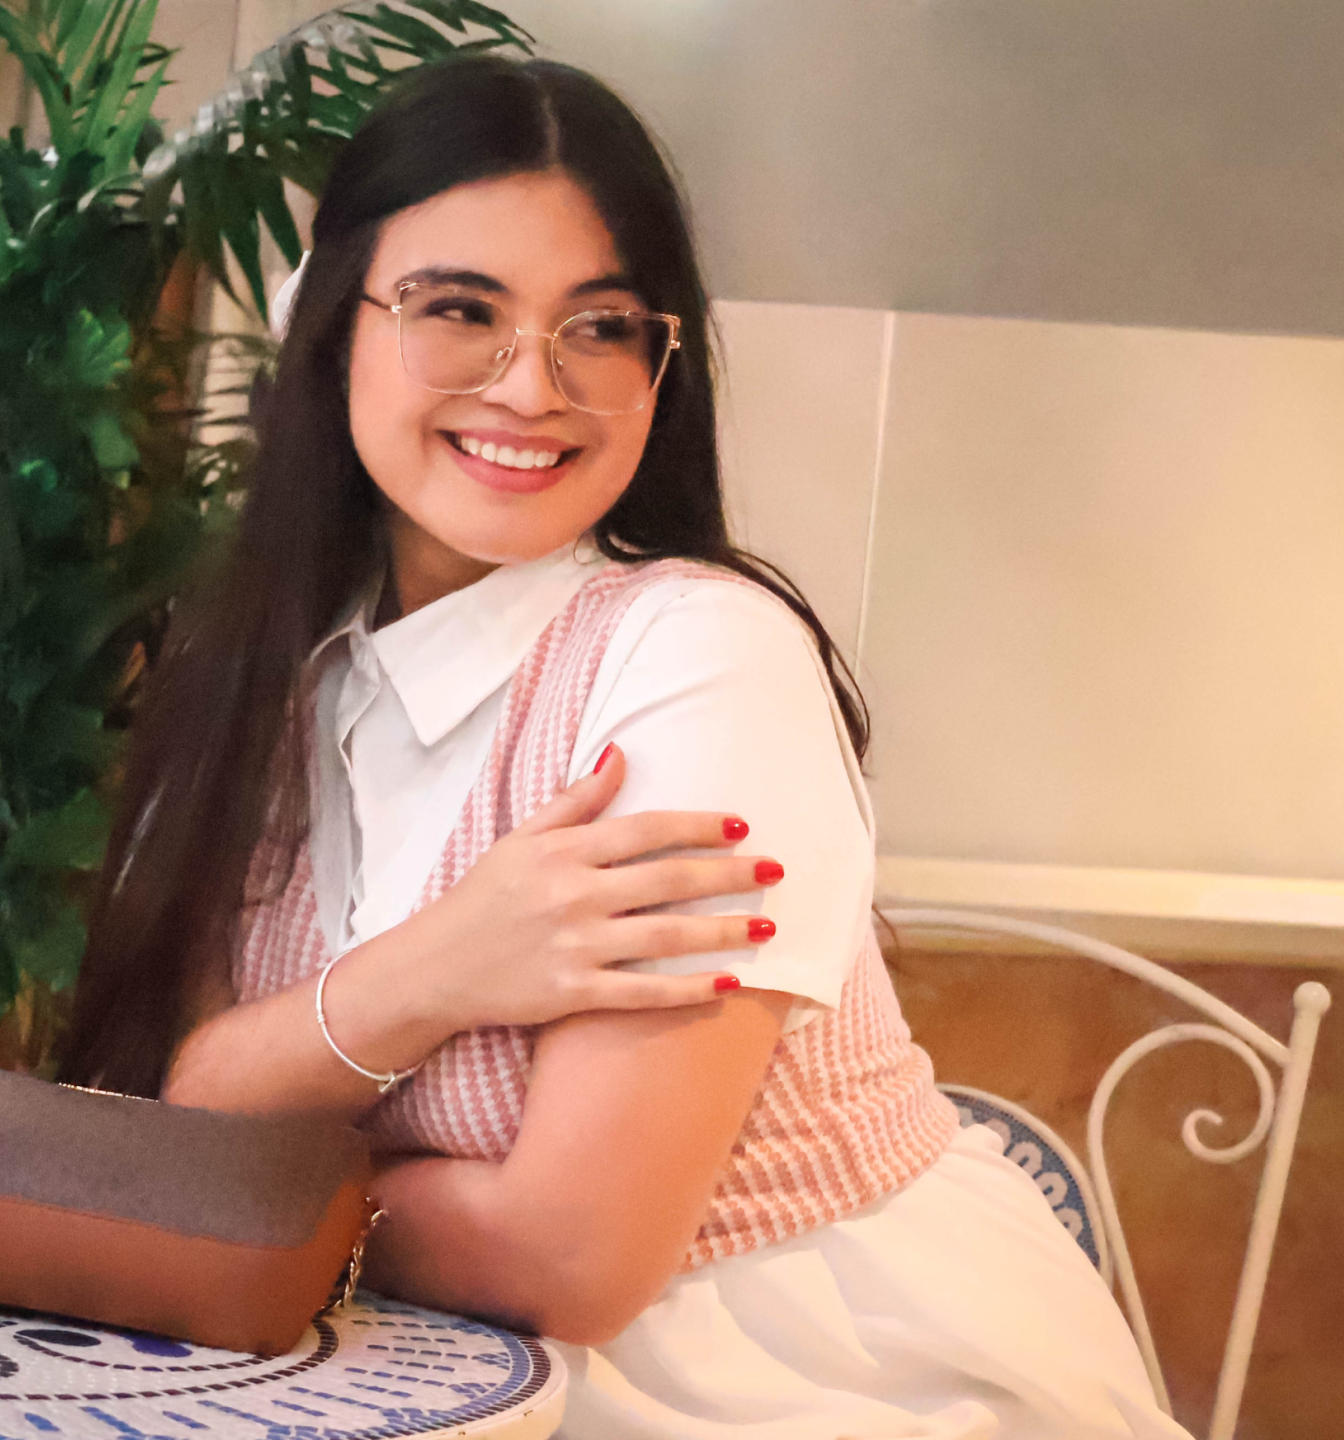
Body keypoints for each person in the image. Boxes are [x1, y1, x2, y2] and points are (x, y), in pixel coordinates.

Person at [60, 54, 1187, 1440]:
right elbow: (190, 1103)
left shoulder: (701, 657)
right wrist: (442, 965)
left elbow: (569, 1258)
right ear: (331, 326)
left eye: (599, 328)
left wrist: (275, 1175)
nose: (532, 386)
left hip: (814, 1393)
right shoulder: (271, 682)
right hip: (420, 1387)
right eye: (460, 309)